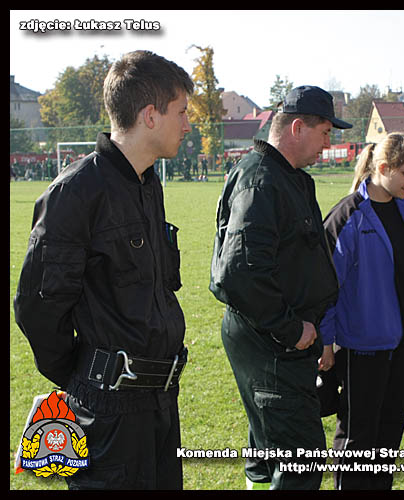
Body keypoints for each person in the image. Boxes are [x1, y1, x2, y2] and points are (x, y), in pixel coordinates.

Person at [13, 50, 193, 489]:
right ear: (150, 115)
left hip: (159, 402)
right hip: (108, 413)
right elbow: (38, 307)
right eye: (182, 112)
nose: (188, 124)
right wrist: (91, 374)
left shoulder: (147, 184)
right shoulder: (76, 192)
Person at [209, 85, 347, 490]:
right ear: (298, 127)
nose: (328, 144)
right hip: (272, 340)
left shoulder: (286, 177)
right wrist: (292, 328)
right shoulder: (262, 180)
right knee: (300, 459)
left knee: (269, 450)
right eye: (325, 133)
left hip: (280, 338)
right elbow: (238, 273)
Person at [319, 132, 404, 489]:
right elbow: (327, 287)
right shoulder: (348, 216)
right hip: (362, 345)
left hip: (403, 339)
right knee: (359, 437)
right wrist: (326, 342)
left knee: (390, 433)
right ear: (384, 168)